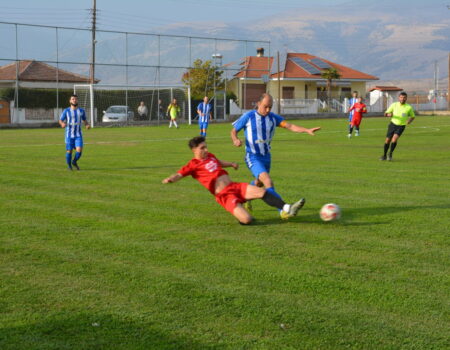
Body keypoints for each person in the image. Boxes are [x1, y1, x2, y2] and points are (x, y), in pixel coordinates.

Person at [162, 136, 305, 224]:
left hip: (235, 186)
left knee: (261, 191)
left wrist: (231, 164)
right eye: (202, 148)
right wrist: (170, 179)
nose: (206, 150)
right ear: (194, 150)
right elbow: (179, 174)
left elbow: (219, 162)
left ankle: (287, 208)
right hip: (224, 195)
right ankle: (241, 209)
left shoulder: (210, 156)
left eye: (206, 147)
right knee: (247, 220)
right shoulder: (192, 165)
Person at [230, 93, 320, 217]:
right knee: (267, 181)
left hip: (266, 157)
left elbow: (290, 126)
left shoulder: (273, 118)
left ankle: (245, 197)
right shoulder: (248, 116)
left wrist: (306, 130)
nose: (267, 110)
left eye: (270, 107)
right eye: (265, 106)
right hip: (253, 156)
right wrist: (235, 139)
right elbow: (234, 130)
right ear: (258, 104)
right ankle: (284, 210)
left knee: (258, 183)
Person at [380, 91, 415, 161]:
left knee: (394, 139)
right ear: (399, 98)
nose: (402, 99)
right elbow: (385, 113)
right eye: (401, 97)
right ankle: (384, 155)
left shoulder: (408, 107)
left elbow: (412, 116)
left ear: (406, 98)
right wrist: (388, 114)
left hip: (401, 126)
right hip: (392, 124)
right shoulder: (394, 105)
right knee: (387, 140)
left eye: (404, 97)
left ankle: (390, 154)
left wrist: (409, 121)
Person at [59, 94, 90, 170]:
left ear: (77, 100)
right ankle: (69, 166)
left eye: (75, 99)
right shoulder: (66, 111)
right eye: (73, 99)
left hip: (78, 134)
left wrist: (87, 125)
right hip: (69, 135)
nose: (74, 100)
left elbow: (84, 120)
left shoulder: (81, 111)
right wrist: (62, 123)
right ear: (70, 101)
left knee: (79, 150)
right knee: (69, 151)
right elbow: (60, 120)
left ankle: (74, 162)